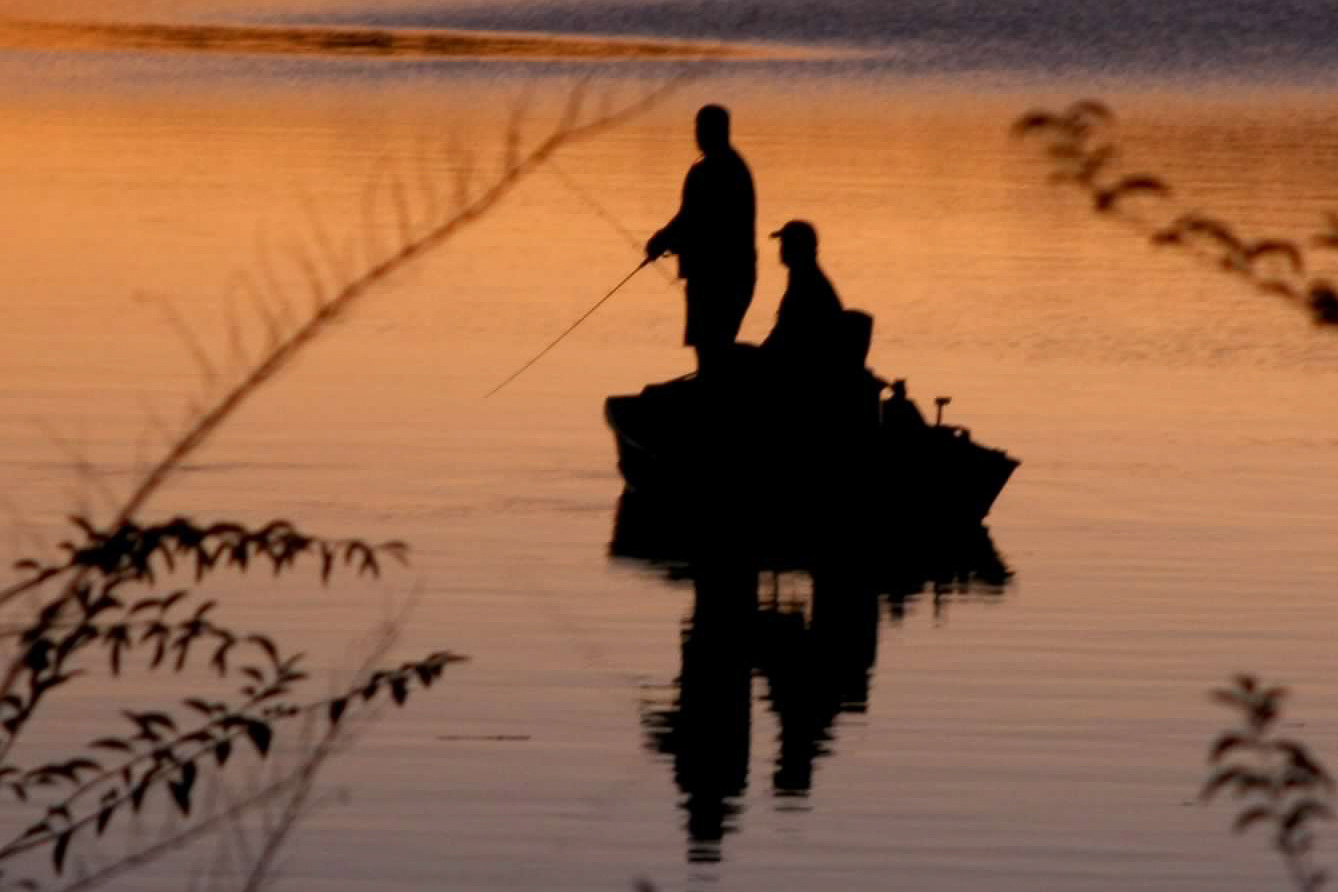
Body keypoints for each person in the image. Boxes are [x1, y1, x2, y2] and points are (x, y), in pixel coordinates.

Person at [645, 104, 757, 377]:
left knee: (711, 348)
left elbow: (692, 219)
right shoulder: (735, 165)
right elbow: (694, 221)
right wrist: (668, 241)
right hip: (736, 274)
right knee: (714, 348)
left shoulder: (711, 170)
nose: (696, 134)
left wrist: (661, 241)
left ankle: (712, 405)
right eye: (697, 128)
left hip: (716, 278)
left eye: (701, 128)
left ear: (717, 131)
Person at [761, 220, 844, 366]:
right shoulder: (803, 277)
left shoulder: (807, 283)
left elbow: (786, 332)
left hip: (805, 361)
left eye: (786, 243)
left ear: (800, 248)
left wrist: (758, 358)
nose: (781, 248)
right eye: (782, 243)